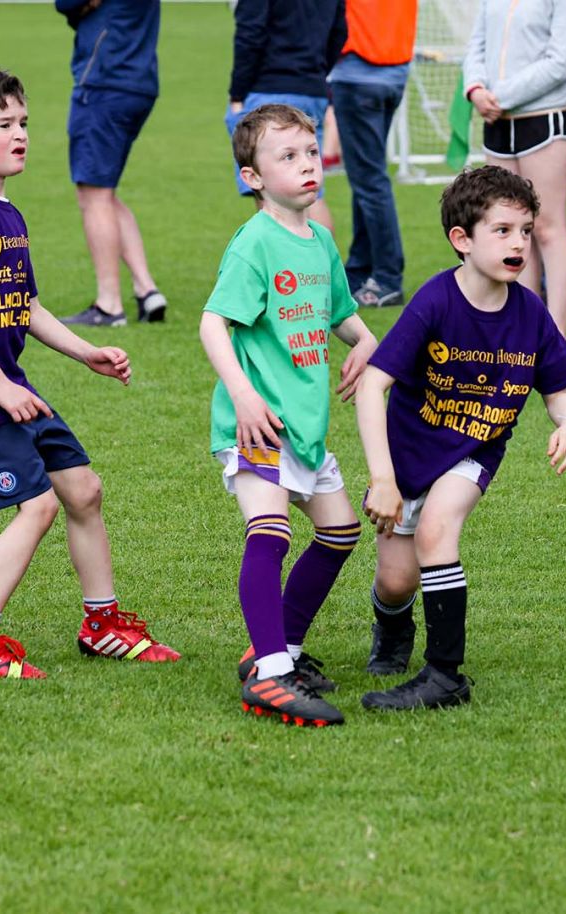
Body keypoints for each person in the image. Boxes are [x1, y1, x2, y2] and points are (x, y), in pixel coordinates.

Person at [0, 68, 180, 680]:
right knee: (37, 507)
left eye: (24, 124)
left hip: (10, 384)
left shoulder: (5, 210)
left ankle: (102, 625)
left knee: (84, 491)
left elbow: (26, 305)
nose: (21, 135)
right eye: (4, 125)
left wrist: (85, 351)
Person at [354, 166, 566, 711]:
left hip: (472, 452)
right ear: (462, 239)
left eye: (526, 231)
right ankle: (391, 628)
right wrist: (383, 479)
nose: (519, 243)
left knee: (439, 530)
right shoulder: (435, 301)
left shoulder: (530, 313)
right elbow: (372, 386)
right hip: (407, 456)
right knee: (395, 583)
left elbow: (558, 391)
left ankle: (444, 677)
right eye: (503, 230)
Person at [199, 104, 378, 727]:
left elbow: (337, 311)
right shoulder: (254, 244)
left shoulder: (320, 239)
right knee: (269, 529)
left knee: (339, 533)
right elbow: (213, 323)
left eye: (309, 153)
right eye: (288, 157)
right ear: (253, 177)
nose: (306, 166)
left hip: (304, 426)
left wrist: (367, 342)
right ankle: (271, 677)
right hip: (258, 425)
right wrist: (244, 396)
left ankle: (277, 650)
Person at [463, 0, 566, 341]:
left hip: (544, 120)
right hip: (497, 124)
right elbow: (477, 44)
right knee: (511, 227)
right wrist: (474, 90)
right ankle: (524, 329)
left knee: (546, 226)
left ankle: (556, 335)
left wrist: (499, 95)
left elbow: (561, 62)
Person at [55, 0, 169, 328]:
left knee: (93, 196)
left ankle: (109, 305)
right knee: (103, 193)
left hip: (106, 78)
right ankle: (146, 289)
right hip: (139, 79)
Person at [226, 0, 348, 232]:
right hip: (312, 89)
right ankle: (321, 265)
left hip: (269, 87)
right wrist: (317, 71)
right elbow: (340, 31)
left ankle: (296, 264)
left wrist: (237, 94)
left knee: (271, 193)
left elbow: (250, 32)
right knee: (310, 190)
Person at [327, 0, 418, 308]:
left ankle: (388, 276)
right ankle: (360, 268)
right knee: (366, 176)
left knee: (369, 180)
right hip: (394, 70)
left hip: (357, 72)